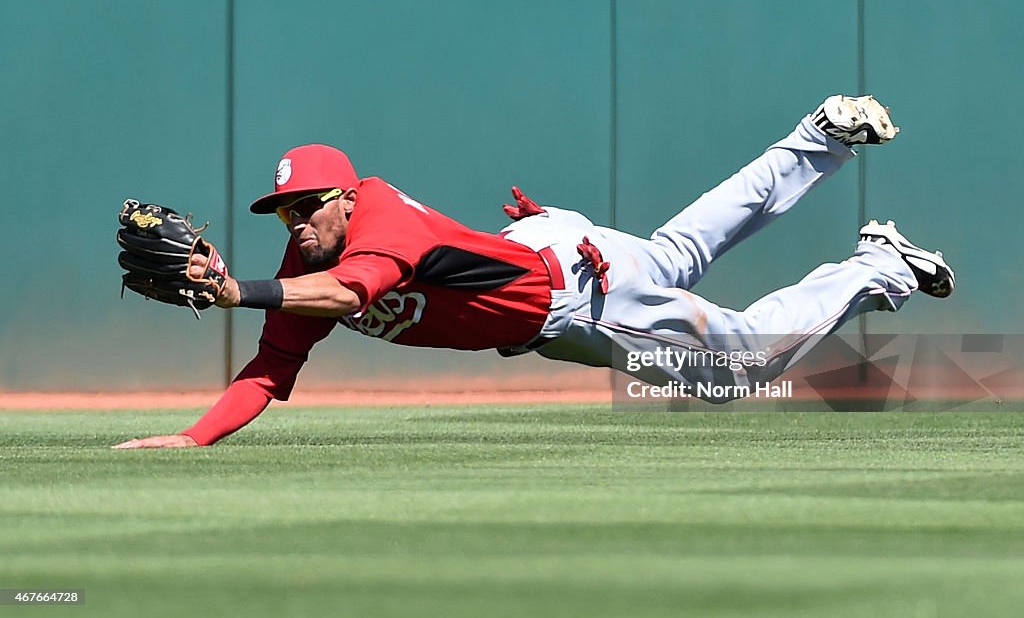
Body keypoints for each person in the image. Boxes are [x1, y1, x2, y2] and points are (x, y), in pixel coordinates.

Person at [113, 95, 954, 448]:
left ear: (345, 195)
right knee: (683, 250)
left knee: (741, 366)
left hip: (576, 297)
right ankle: (819, 137)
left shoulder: (379, 220)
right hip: (554, 258)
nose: (297, 224)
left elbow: (348, 294)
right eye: (284, 213)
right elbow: (270, 367)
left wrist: (232, 290)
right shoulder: (309, 254)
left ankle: (876, 266)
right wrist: (192, 439)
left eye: (308, 207)